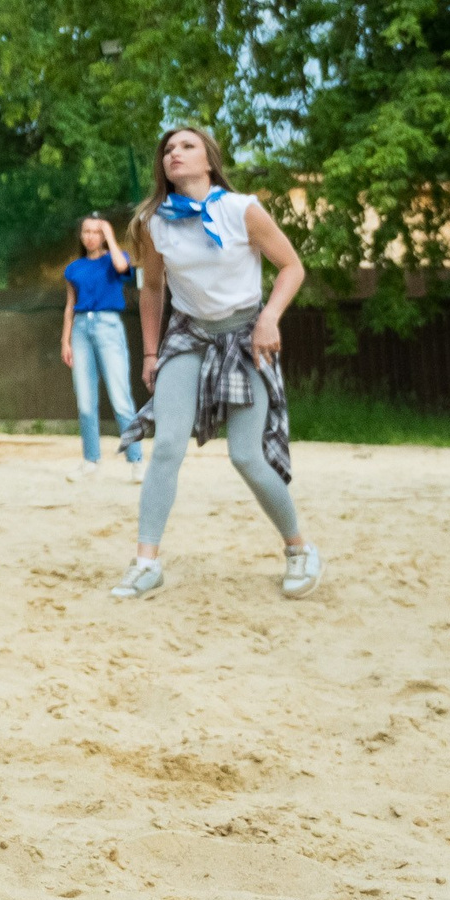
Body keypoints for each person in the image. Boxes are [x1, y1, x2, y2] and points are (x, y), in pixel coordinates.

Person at [110, 125, 322, 601]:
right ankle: (146, 562)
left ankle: (299, 549)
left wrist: (270, 317)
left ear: (209, 159)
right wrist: (150, 352)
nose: (175, 154)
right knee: (166, 446)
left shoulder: (240, 209)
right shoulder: (154, 221)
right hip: (190, 336)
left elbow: (292, 267)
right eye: (168, 149)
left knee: (246, 455)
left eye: (187, 146)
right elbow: (151, 288)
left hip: (246, 336)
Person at [60, 214, 144, 483]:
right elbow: (70, 305)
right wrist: (66, 340)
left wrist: (110, 234)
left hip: (108, 326)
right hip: (82, 330)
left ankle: (137, 460)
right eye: (86, 231)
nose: (90, 236)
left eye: (96, 232)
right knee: (85, 400)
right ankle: (91, 461)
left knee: (121, 398)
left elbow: (122, 265)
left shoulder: (115, 259)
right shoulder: (74, 268)